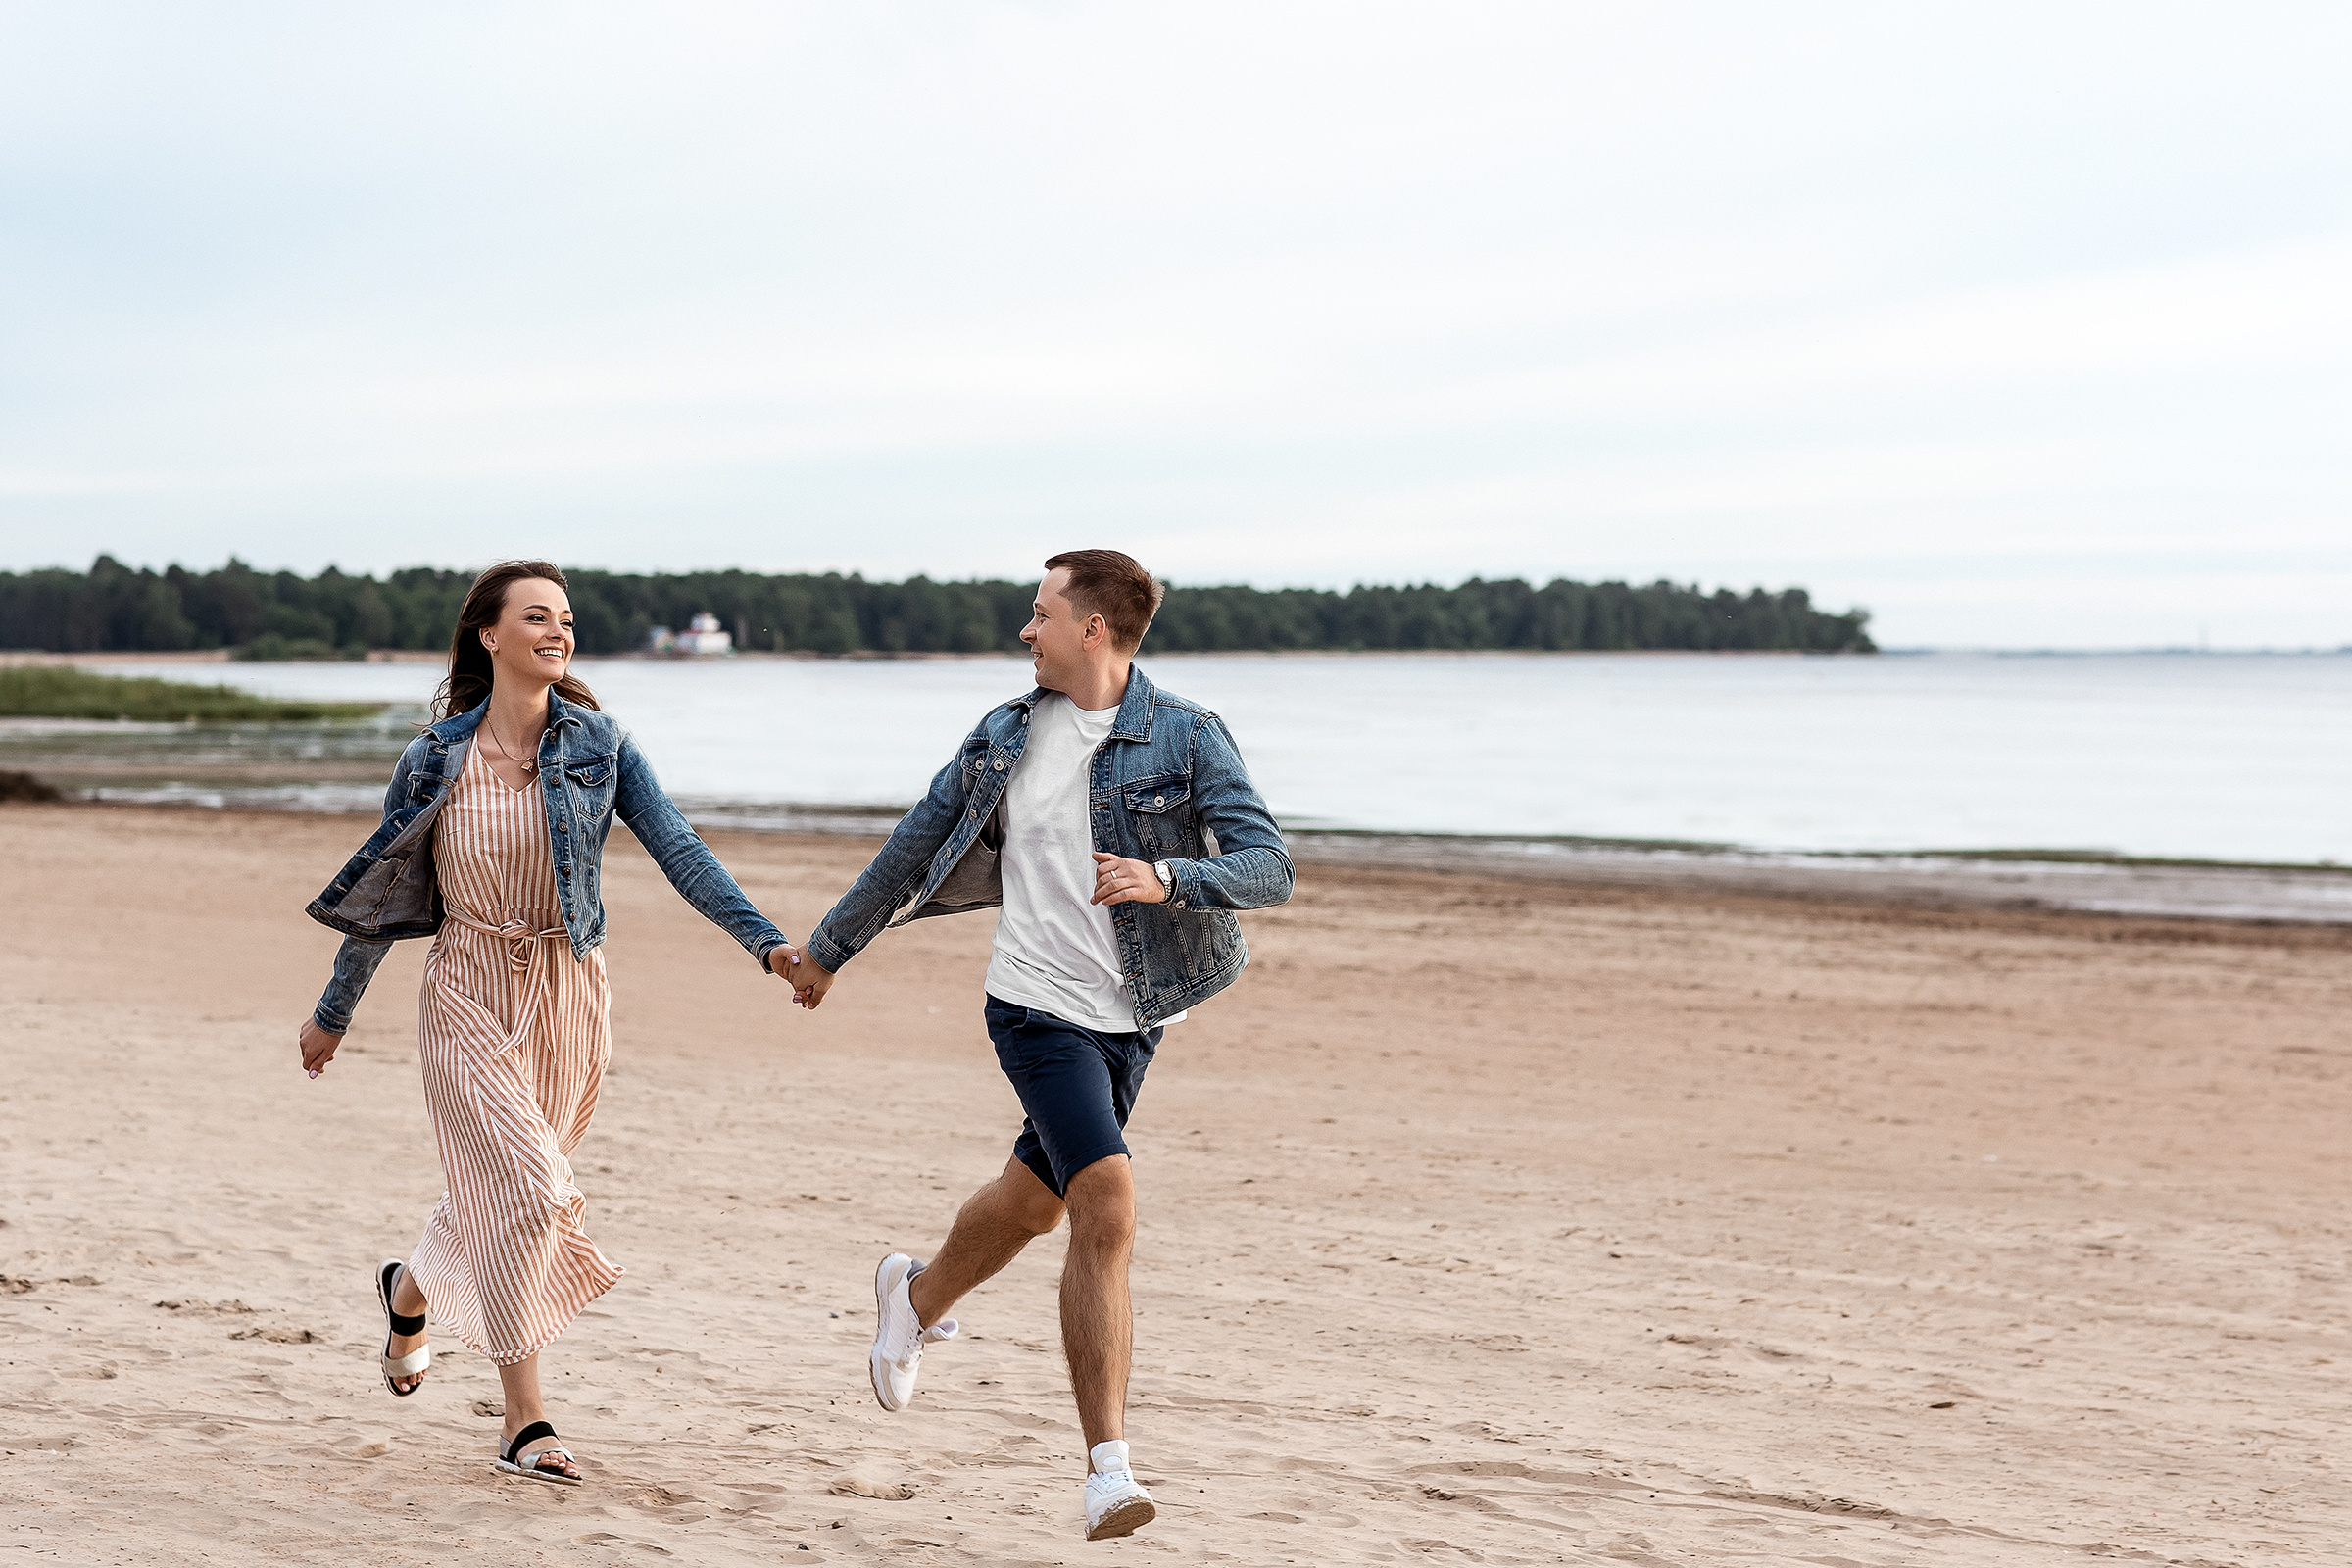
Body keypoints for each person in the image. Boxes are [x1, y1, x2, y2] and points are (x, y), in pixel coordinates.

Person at [784, 549, 1295, 1542]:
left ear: (1092, 628)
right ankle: (1109, 1469)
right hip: (1032, 1002)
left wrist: (1169, 877)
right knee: (1104, 1201)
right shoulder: (1006, 736)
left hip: (1140, 1011)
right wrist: (830, 950)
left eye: (1040, 613)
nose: (1027, 630)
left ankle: (914, 1292)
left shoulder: (1186, 736)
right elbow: (914, 844)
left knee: (1034, 1198)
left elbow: (1268, 865)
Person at [296, 560, 801, 1486]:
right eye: (536, 616)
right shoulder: (433, 758)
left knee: (507, 1193)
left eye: (565, 618)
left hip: (570, 993)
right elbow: (385, 892)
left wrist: (766, 945)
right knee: (528, 1191)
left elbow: (679, 848)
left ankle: (410, 1288)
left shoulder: (601, 745)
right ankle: (524, 1419)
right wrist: (335, 1011)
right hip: (467, 987)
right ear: (490, 635)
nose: (557, 630)